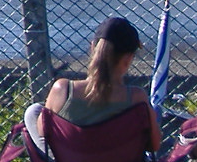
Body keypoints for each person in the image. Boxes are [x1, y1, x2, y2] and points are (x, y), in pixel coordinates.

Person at [27, 16, 160, 149]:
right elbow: (154, 145)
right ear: (128, 58)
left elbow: (43, 132)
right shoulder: (137, 98)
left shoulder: (63, 90)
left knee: (34, 111)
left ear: (92, 47)